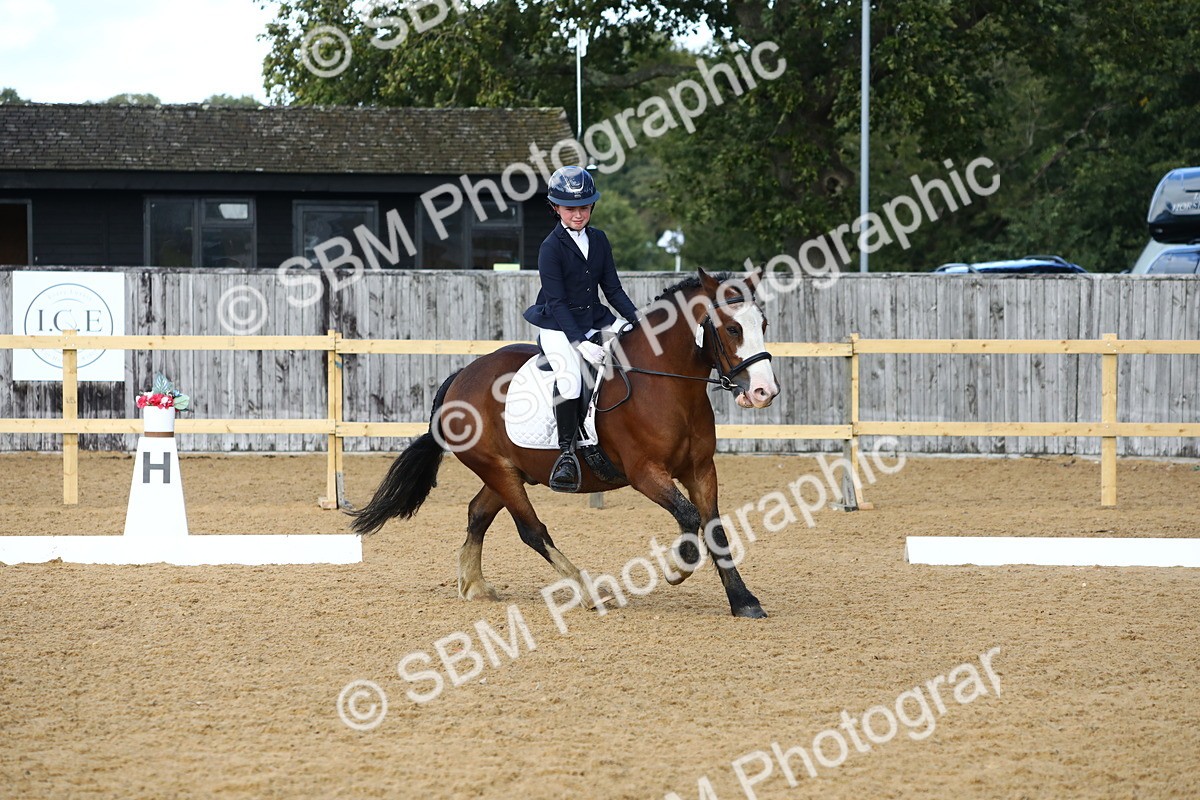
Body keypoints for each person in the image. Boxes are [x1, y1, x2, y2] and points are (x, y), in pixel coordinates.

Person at [523, 165, 640, 492]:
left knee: (635, 358)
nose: (578, 214)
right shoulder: (550, 247)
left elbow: (613, 289)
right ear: (556, 208)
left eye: (584, 207)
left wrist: (636, 320)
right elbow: (557, 303)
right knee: (572, 380)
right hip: (558, 325)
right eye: (570, 208)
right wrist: (579, 343)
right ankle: (565, 454)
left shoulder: (599, 240)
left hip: (595, 318)